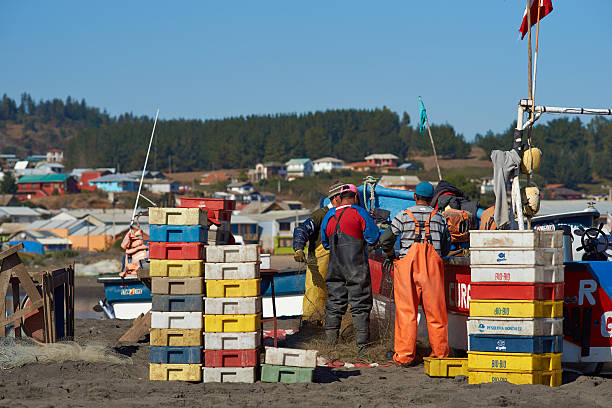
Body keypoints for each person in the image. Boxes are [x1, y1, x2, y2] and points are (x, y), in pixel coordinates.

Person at [379, 181, 451, 366]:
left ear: (415, 197)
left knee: (406, 312)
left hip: (406, 268)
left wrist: (391, 255)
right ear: (432, 199)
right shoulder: (440, 218)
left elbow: (386, 239)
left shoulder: (403, 215)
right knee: (436, 313)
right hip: (432, 269)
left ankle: (404, 356)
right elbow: (445, 247)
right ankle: (440, 355)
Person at [320, 184, 380, 350]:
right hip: (355, 265)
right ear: (355, 197)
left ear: (340, 197)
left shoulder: (329, 215)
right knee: (360, 302)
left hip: (334, 265)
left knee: (334, 302)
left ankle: (331, 344)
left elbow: (325, 243)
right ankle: (362, 345)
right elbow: (373, 238)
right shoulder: (359, 212)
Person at [293, 181, 345, 324]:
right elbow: (302, 230)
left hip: (340, 264)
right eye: (344, 197)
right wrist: (298, 248)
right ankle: (311, 326)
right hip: (318, 265)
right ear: (335, 198)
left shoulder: (348, 213)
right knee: (315, 295)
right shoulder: (320, 215)